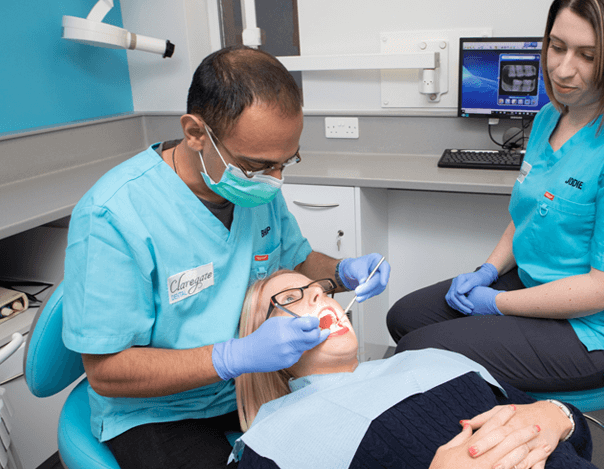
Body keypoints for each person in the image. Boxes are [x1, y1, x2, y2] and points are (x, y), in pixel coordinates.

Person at [61, 45, 391, 469]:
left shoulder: (252, 188)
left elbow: (296, 261)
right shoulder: (113, 215)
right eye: (258, 165)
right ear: (196, 132)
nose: (274, 180)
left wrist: (345, 271)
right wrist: (234, 356)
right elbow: (107, 372)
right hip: (159, 411)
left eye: (285, 163)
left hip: (249, 385)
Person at [387, 0, 604, 394]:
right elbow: (533, 211)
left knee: (419, 351)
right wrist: (489, 270)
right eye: (557, 46)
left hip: (594, 330)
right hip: (532, 285)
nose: (563, 71)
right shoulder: (550, 117)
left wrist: (498, 304)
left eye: (588, 55)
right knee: (404, 318)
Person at [231, 270, 599, 469]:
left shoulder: (433, 359)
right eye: (292, 298)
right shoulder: (273, 442)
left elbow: (576, 434)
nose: (319, 295)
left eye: (322, 289)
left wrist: (558, 414)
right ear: (259, 340)